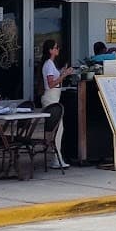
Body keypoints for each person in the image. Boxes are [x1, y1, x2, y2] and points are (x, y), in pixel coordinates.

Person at [38, 41, 67, 169]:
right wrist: (64, 75)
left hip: (53, 97)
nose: (58, 49)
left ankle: (55, 156)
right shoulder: (49, 64)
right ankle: (57, 157)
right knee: (58, 128)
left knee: (56, 128)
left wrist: (61, 73)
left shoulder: (50, 64)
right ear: (50, 50)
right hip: (51, 98)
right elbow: (51, 84)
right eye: (56, 47)